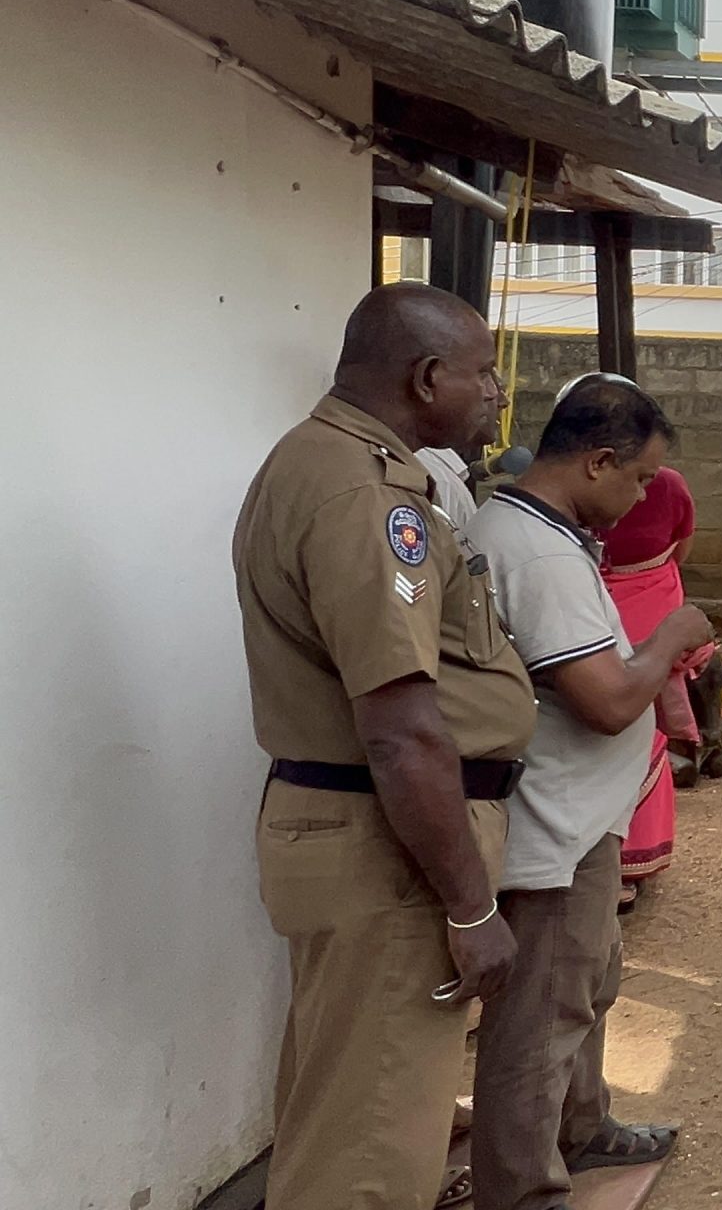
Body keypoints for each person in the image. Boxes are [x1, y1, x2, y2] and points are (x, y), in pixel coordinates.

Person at [232, 283, 533, 1210]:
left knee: (345, 1117)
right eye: (483, 374)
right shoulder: (367, 496)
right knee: (370, 1151)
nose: (496, 394)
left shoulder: (329, 463)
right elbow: (401, 731)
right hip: (388, 851)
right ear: (427, 377)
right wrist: (472, 908)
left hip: (366, 834)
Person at [466, 376, 710, 1210]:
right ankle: (522, 1193)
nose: (643, 496)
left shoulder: (539, 532)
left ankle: (583, 1126)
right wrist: (672, 634)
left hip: (579, 819)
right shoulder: (536, 554)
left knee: (585, 989)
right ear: (599, 462)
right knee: (541, 1020)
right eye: (639, 477)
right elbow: (605, 702)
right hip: (553, 826)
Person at [573, 374, 707, 901]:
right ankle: (631, 861)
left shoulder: (565, 496)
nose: (642, 490)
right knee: (643, 730)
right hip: (654, 605)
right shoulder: (669, 485)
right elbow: (683, 547)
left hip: (595, 605)